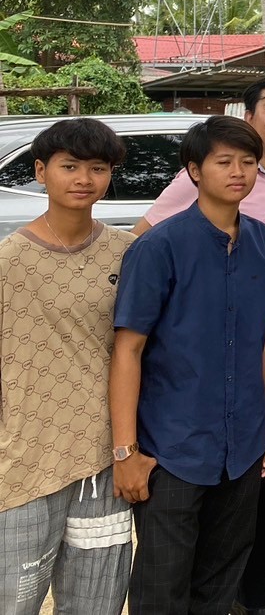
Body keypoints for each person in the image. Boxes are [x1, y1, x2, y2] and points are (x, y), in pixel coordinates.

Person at [132, 73, 265, 615]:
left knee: (251, 506)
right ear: (250, 114)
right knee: (173, 548)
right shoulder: (207, 176)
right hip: (194, 366)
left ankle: (250, 602)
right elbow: (143, 245)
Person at [111, 115, 265, 615]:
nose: (238, 172)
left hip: (244, 444)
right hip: (173, 448)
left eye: (248, 162)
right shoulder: (159, 247)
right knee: (162, 587)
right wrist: (125, 452)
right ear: (194, 170)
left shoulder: (260, 240)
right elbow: (128, 349)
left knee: (221, 581)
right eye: (224, 161)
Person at [0, 119, 133, 615]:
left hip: (106, 461)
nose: (84, 179)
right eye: (70, 166)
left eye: (98, 168)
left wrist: (130, 449)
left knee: (96, 603)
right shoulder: (9, 262)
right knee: (13, 601)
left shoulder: (127, 254)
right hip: (23, 460)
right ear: (41, 171)